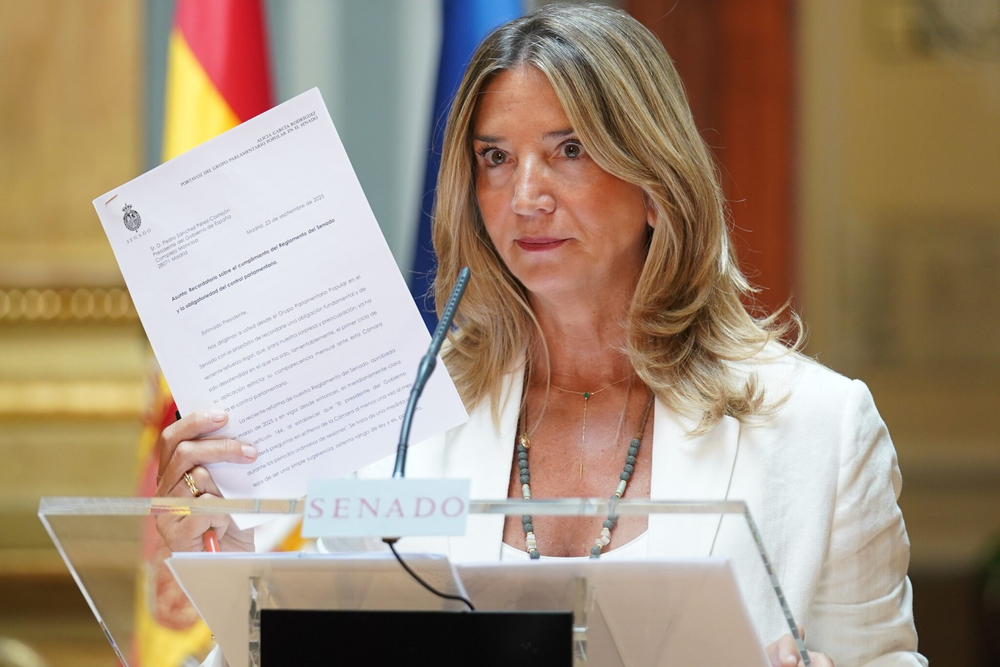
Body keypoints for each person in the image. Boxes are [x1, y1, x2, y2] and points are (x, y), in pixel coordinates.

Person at [158, 4, 925, 666]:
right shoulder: (402, 423)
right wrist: (225, 565)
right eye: (495, 159)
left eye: (569, 150)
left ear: (656, 185)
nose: (525, 197)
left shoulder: (821, 430)